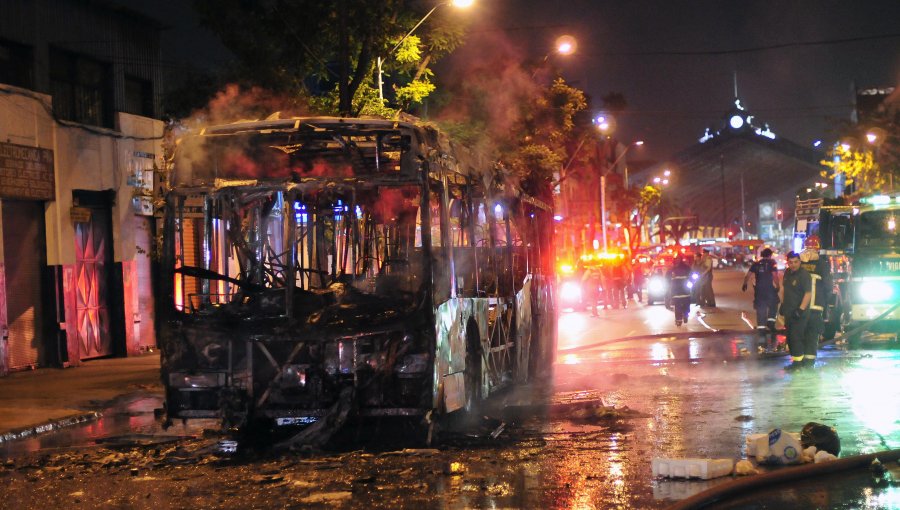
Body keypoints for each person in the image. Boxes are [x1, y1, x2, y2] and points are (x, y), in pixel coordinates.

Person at [799, 235, 831, 365]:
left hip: (799, 307)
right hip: (816, 306)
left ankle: (798, 359)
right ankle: (810, 361)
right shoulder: (822, 264)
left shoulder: (797, 263)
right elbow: (828, 285)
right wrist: (827, 303)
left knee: (799, 333)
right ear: (817, 249)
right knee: (812, 334)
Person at [742, 247, 781, 349]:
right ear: (770, 255)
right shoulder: (772, 263)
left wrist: (744, 284)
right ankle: (771, 322)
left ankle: (761, 333)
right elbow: (775, 276)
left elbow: (748, 275)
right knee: (774, 304)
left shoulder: (756, 264)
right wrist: (778, 286)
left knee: (761, 310)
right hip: (769, 290)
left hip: (759, 291)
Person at [780, 251, 813, 371]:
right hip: (789, 311)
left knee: (796, 337)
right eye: (791, 262)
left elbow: (808, 294)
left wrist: (801, 309)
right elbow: (783, 289)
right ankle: (797, 361)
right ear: (787, 263)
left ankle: (798, 364)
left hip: (800, 313)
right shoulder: (787, 273)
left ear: (800, 262)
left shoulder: (804, 275)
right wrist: (782, 304)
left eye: (796, 262)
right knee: (789, 337)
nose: (793, 265)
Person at [667, 255, 692, 326]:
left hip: (680, 291)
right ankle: (680, 319)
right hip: (680, 291)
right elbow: (667, 279)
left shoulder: (685, 268)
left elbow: (693, 276)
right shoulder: (673, 269)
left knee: (682, 305)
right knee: (681, 305)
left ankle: (683, 317)